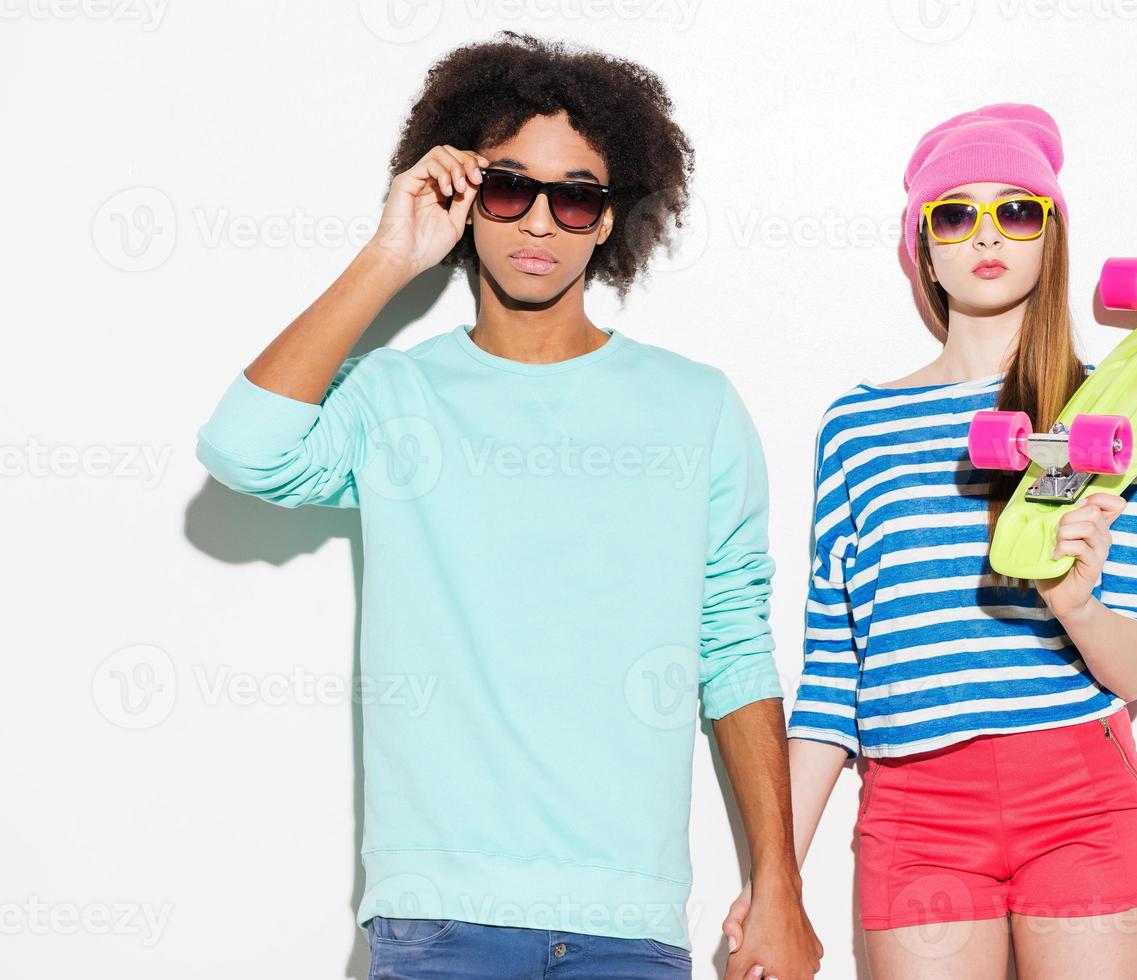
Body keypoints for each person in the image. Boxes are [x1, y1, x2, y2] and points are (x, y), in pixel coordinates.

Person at [195, 33, 821, 980]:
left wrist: (779, 883)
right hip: (438, 912)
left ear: (607, 221)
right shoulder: (392, 396)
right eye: (506, 188)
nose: (539, 222)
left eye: (576, 195)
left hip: (629, 913)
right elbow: (241, 451)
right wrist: (390, 252)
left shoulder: (693, 407)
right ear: (466, 196)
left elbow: (734, 645)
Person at [722, 103, 1137, 979]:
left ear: (1051, 238)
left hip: (1080, 791)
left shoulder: (1113, 415)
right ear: (922, 247)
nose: (985, 234)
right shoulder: (860, 428)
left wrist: (1076, 604)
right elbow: (831, 674)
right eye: (954, 213)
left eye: (1016, 210)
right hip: (915, 808)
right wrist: (773, 875)